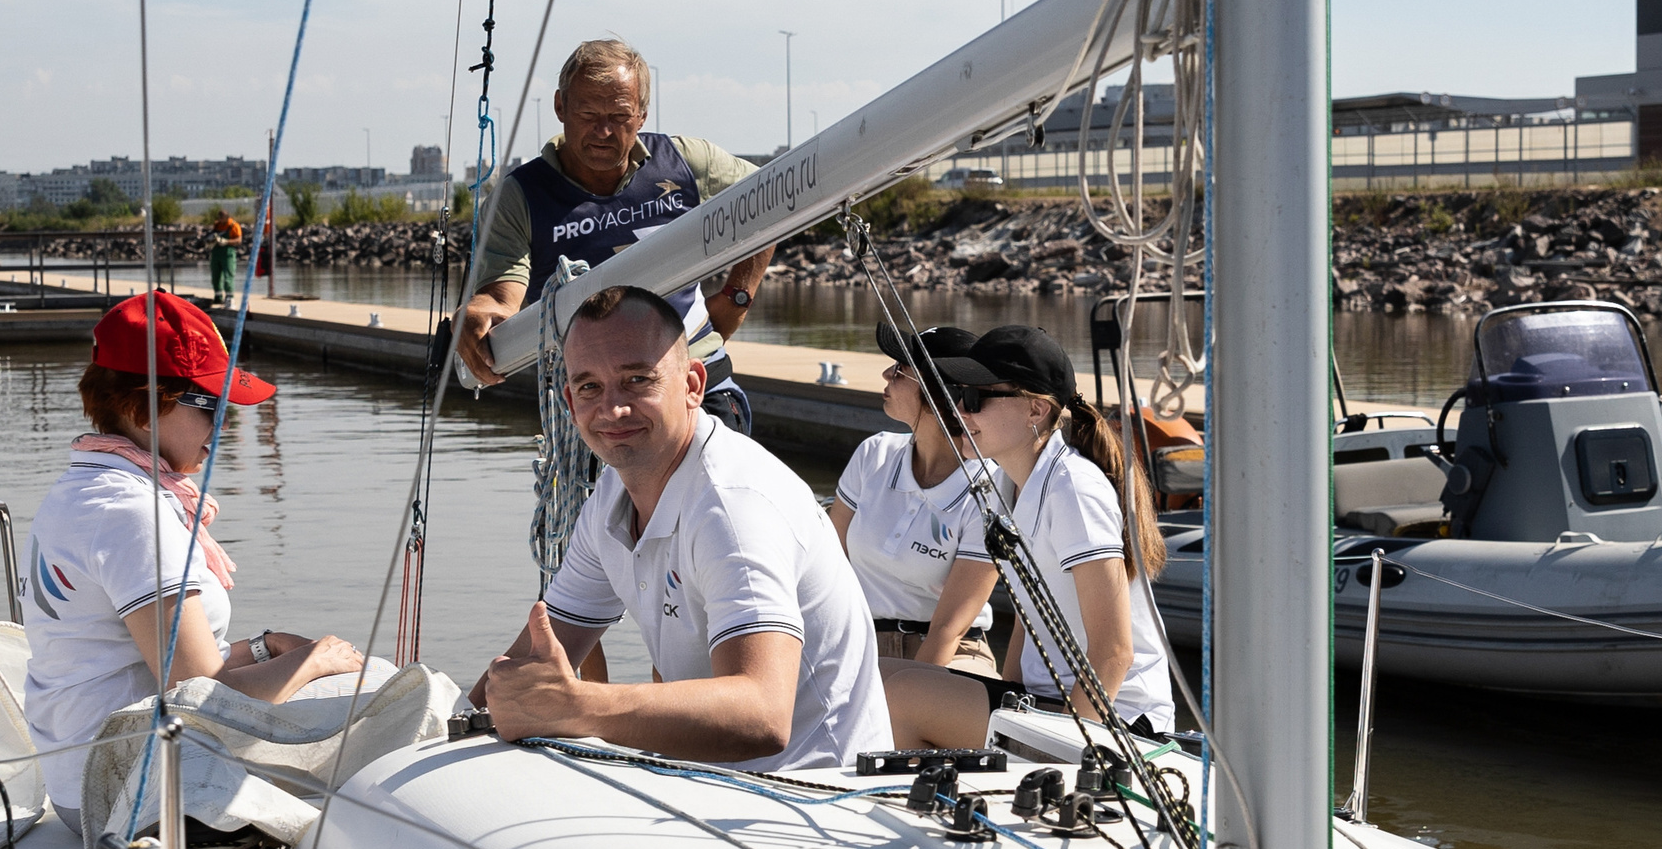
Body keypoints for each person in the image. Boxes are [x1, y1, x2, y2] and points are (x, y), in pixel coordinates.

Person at [472, 286, 889, 772]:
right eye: (589, 387)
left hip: (815, 799)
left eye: (637, 380)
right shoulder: (611, 498)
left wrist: (576, 706)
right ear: (568, 400)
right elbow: (530, 664)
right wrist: (465, 716)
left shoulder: (732, 508)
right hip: (708, 786)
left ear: (693, 384)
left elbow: (762, 713)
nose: (612, 409)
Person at [23, 291, 366, 832]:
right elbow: (199, 698)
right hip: (126, 793)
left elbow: (166, 671)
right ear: (142, 405)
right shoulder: (131, 512)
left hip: (89, 773)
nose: (224, 427)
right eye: (213, 407)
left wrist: (264, 647)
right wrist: (315, 660)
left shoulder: (88, 489)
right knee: (382, 708)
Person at [454, 39, 773, 434]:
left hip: (697, 381)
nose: (603, 131)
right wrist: (478, 313)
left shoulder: (687, 162)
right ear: (560, 107)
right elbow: (503, 296)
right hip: (597, 400)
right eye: (587, 113)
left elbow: (770, 197)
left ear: (641, 115)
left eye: (619, 116)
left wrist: (738, 295)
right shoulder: (518, 197)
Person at [885, 324, 1173, 748]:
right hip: (1045, 701)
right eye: (957, 396)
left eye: (974, 398)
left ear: (1035, 411)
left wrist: (1066, 753)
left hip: (1118, 721)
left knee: (901, 695)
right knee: (882, 673)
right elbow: (1028, 618)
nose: (959, 412)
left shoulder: (1073, 488)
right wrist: (1005, 698)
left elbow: (1114, 652)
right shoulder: (1007, 485)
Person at [829, 322, 1002, 675]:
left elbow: (947, 629)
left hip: (955, 652)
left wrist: (908, 694)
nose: (886, 374)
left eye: (899, 370)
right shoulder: (873, 454)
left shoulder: (991, 489)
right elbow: (827, 567)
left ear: (936, 392)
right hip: (862, 643)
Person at [208, 208, 245, 307]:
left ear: (226, 217)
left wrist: (226, 241)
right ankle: (218, 297)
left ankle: (229, 297)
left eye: (222, 217)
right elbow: (211, 235)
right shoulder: (217, 225)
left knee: (228, 276)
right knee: (215, 276)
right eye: (219, 217)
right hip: (216, 253)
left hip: (228, 253)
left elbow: (239, 240)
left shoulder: (233, 225)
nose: (220, 219)